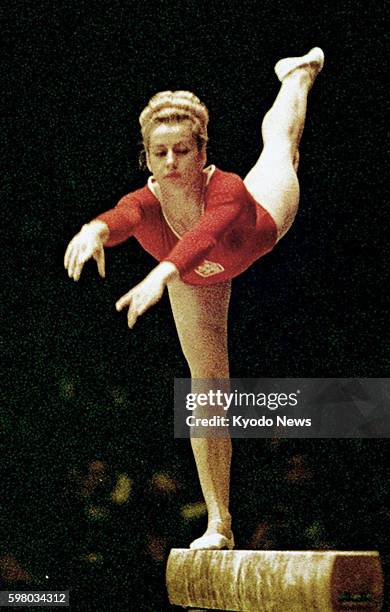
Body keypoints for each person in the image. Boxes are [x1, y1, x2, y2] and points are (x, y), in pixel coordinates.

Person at [64, 47, 325, 550]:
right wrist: (93, 230)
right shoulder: (147, 201)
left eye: (183, 150)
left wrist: (162, 274)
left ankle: (297, 76)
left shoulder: (225, 188)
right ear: (146, 159)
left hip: (261, 227)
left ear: (202, 152)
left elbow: (206, 234)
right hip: (192, 280)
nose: (171, 162)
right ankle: (219, 523)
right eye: (159, 153)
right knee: (207, 393)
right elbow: (120, 217)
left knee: (279, 148)